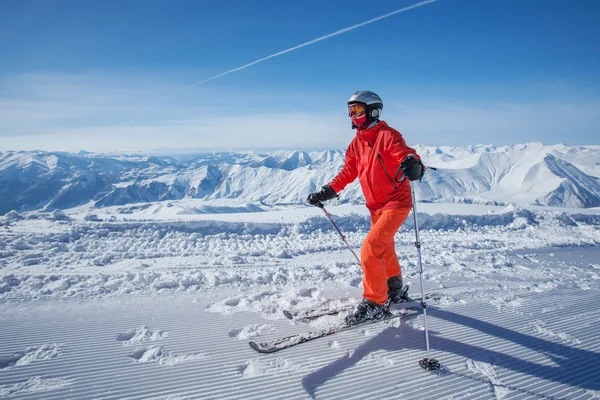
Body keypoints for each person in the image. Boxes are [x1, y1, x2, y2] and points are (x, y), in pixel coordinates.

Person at [307, 90, 425, 324]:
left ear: (373, 111)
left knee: (371, 248)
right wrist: (328, 191)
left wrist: (414, 164)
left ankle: (375, 302)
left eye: (358, 110)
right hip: (375, 206)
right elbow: (348, 172)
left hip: (396, 203)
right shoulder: (356, 144)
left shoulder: (388, 135)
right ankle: (394, 290)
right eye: (350, 111)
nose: (353, 115)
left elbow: (405, 154)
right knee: (384, 247)